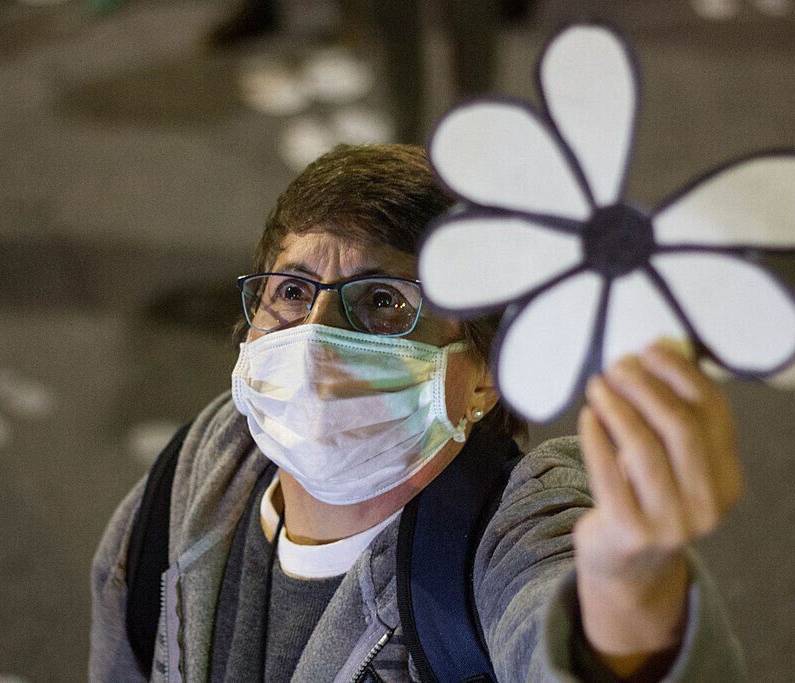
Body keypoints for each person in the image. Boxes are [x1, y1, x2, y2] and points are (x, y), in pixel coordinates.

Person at [90, 144, 746, 681]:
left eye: (382, 301)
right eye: (291, 290)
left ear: (487, 374)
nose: (316, 337)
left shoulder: (500, 543)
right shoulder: (193, 478)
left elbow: (560, 619)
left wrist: (631, 576)